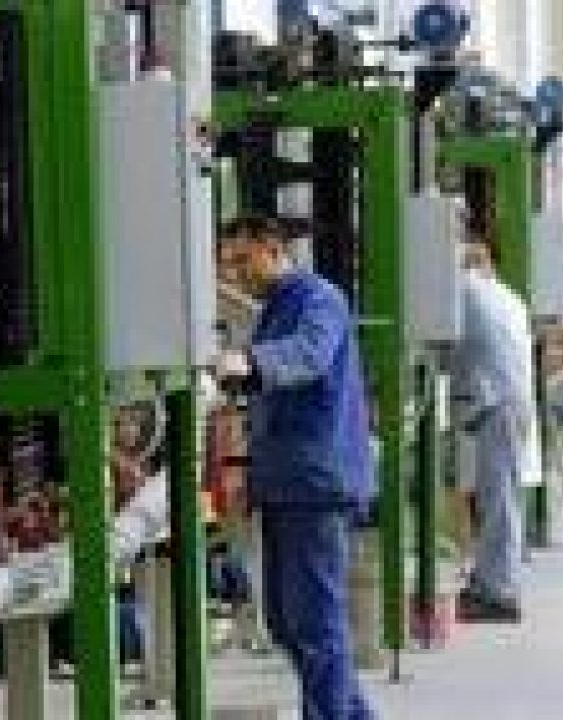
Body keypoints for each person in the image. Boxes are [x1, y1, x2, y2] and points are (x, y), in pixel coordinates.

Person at [215, 215, 375, 720]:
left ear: (273, 248)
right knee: (287, 621)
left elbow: (308, 355)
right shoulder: (275, 308)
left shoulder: (320, 300)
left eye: (243, 260)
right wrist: (248, 471)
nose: (236, 273)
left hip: (315, 484)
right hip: (285, 482)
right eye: (228, 264)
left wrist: (249, 362)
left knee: (315, 621)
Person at [451, 237, 539, 622]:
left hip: (497, 403)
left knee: (499, 500)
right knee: (501, 498)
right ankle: (492, 582)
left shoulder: (467, 291)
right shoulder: (508, 297)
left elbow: (442, 342)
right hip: (511, 403)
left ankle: (498, 593)